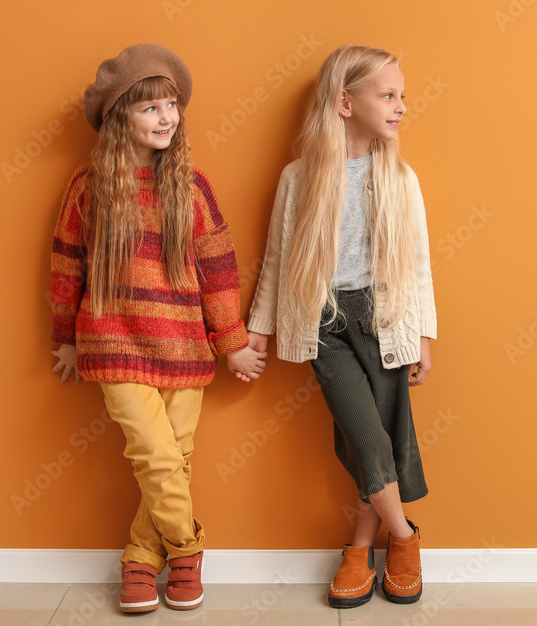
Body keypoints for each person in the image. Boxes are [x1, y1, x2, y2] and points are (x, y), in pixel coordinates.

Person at [49, 43, 266, 613]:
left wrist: (232, 342)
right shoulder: (90, 186)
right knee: (155, 454)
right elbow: (67, 261)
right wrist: (66, 337)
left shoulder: (191, 187)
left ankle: (142, 559)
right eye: (150, 108)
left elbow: (217, 269)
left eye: (172, 105)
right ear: (120, 117)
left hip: (184, 346)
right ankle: (188, 551)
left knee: (178, 454)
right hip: (114, 341)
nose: (166, 116)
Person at [246, 44, 436, 608]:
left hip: (385, 319)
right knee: (368, 432)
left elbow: (419, 263)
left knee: (375, 436)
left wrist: (424, 334)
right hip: (323, 321)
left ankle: (360, 548)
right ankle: (403, 538)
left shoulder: (400, 178)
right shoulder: (298, 178)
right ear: (344, 102)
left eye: (402, 96)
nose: (400, 106)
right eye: (388, 95)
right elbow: (278, 260)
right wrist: (259, 327)